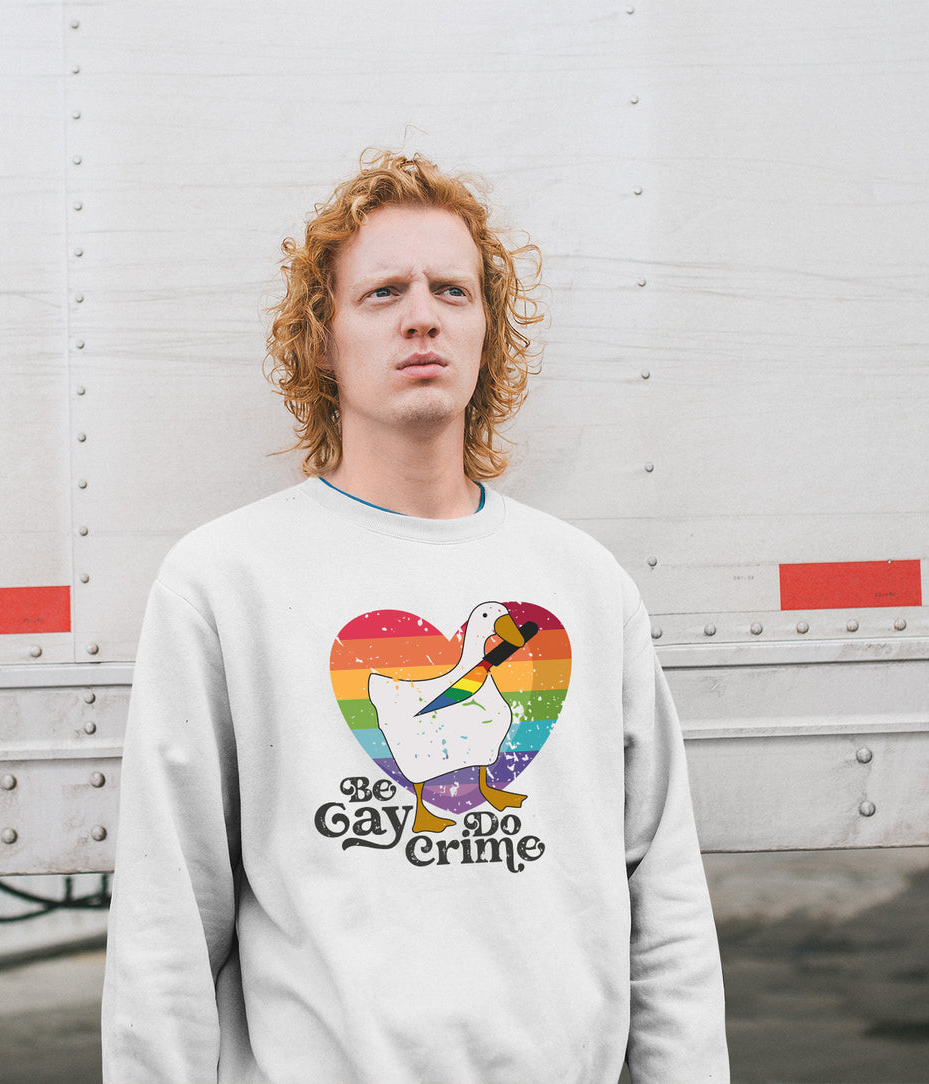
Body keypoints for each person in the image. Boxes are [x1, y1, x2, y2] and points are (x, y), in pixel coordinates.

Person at [101, 150, 729, 1083]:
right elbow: (166, 924)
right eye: (382, 292)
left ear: (487, 330)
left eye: (452, 290)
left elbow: (664, 901)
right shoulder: (223, 583)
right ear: (321, 338)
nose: (422, 316)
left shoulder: (585, 587)